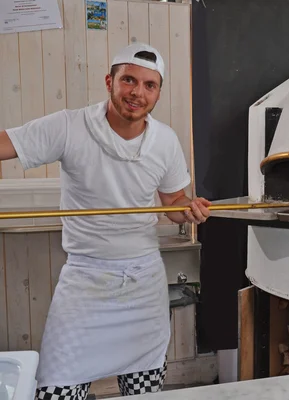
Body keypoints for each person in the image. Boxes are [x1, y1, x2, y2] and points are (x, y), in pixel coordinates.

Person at [0, 43, 210, 398]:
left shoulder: (165, 142)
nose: (137, 93)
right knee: (56, 390)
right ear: (110, 81)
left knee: (143, 391)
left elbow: (173, 202)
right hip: (85, 281)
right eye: (129, 80)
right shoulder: (69, 126)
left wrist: (188, 209)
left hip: (143, 286)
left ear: (157, 92)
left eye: (149, 85)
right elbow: (6, 144)